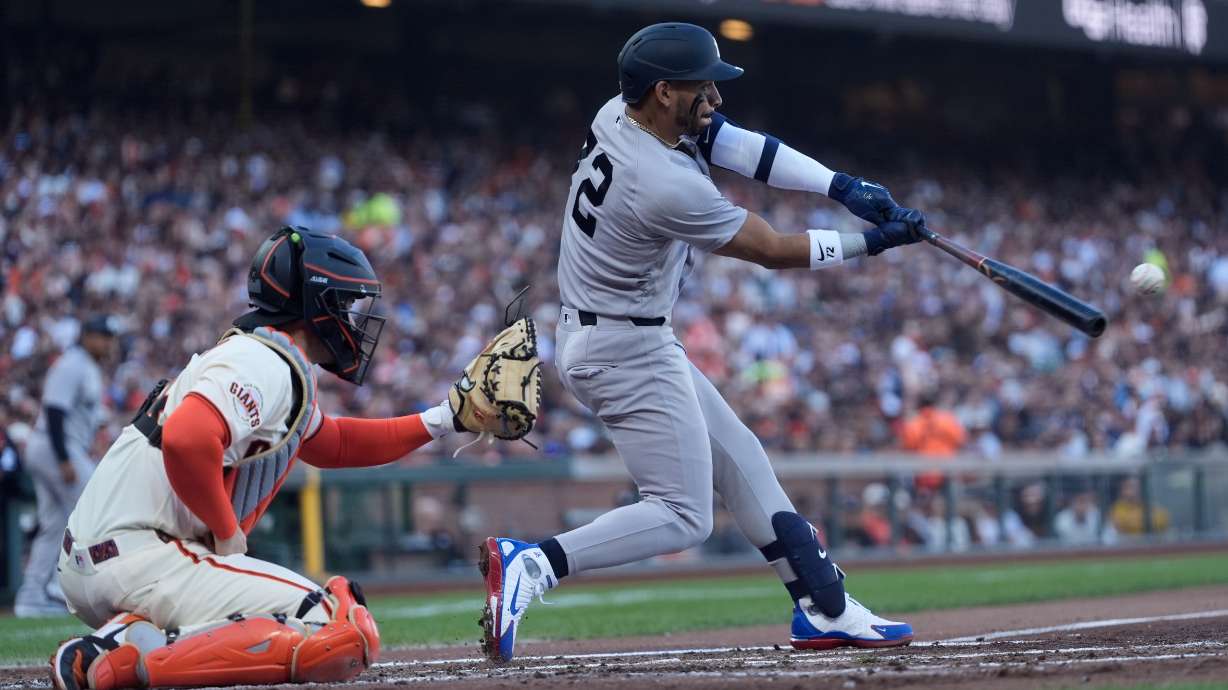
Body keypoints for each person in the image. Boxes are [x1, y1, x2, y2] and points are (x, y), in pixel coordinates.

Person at [478, 22, 925, 662]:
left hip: (621, 333)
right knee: (685, 514)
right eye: (701, 86)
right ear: (663, 90)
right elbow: (771, 250)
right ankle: (536, 562)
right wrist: (871, 242)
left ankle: (824, 606)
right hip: (621, 349)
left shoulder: (621, 112)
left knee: (742, 457)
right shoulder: (662, 182)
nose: (714, 96)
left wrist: (843, 187)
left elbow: (738, 145)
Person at [49, 227, 479, 690]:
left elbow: (334, 442)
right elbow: (186, 439)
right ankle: (122, 665)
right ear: (319, 304)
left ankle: (123, 641)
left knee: (311, 624)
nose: (353, 321)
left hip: (107, 561)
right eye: (347, 304)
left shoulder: (262, 354)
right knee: (339, 627)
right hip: (144, 555)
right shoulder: (267, 362)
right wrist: (225, 529)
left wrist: (444, 419)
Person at [14, 315, 118, 618]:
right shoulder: (73, 363)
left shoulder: (87, 367)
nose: (107, 343)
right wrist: (63, 459)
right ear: (86, 335)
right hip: (54, 447)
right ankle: (65, 586)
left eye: (109, 337)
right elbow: (55, 411)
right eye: (102, 336)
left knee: (54, 524)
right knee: (93, 509)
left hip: (60, 448)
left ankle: (31, 596)